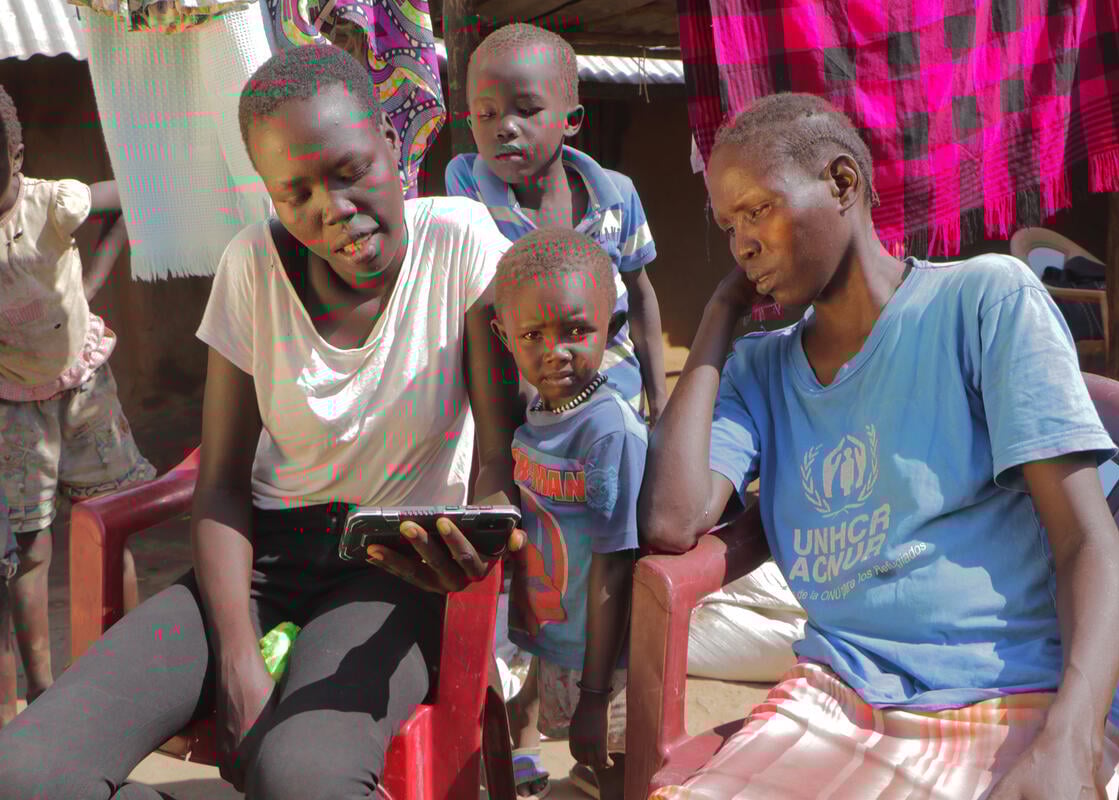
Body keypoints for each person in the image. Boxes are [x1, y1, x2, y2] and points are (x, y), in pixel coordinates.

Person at [0, 44, 523, 799]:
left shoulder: (460, 242)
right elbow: (218, 486)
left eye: (349, 173)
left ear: (391, 142)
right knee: (24, 772)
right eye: (295, 193)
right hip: (263, 561)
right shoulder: (252, 267)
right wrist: (239, 660)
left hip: (392, 572)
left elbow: (495, 463)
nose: (331, 211)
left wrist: (479, 532)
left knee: (301, 776)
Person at [640, 93, 1119, 800]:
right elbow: (671, 517)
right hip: (838, 698)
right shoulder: (759, 371)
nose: (741, 243)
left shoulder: (982, 302)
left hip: (1011, 685)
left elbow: (1088, 541)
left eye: (758, 211)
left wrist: (1073, 736)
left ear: (843, 184)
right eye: (728, 226)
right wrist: (720, 314)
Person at [0, 84, 151, 729]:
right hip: (13, 404)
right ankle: (44, 692)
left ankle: (136, 668)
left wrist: (89, 285)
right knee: (30, 548)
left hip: (83, 388)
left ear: (16, 154)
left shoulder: (51, 203)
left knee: (107, 521)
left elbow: (125, 201)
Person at [445, 23, 667, 425]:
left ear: (572, 119)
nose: (505, 127)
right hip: (525, 417)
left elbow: (640, 297)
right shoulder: (470, 191)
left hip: (616, 405)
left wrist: (662, 405)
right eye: (486, 114)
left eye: (527, 110)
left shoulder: (616, 198)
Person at [491, 228, 642, 800]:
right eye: (533, 335)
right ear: (504, 337)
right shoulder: (536, 413)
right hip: (556, 640)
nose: (555, 351)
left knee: (614, 772)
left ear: (612, 326)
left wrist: (597, 695)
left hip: (606, 660)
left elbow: (614, 565)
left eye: (577, 330)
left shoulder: (608, 432)